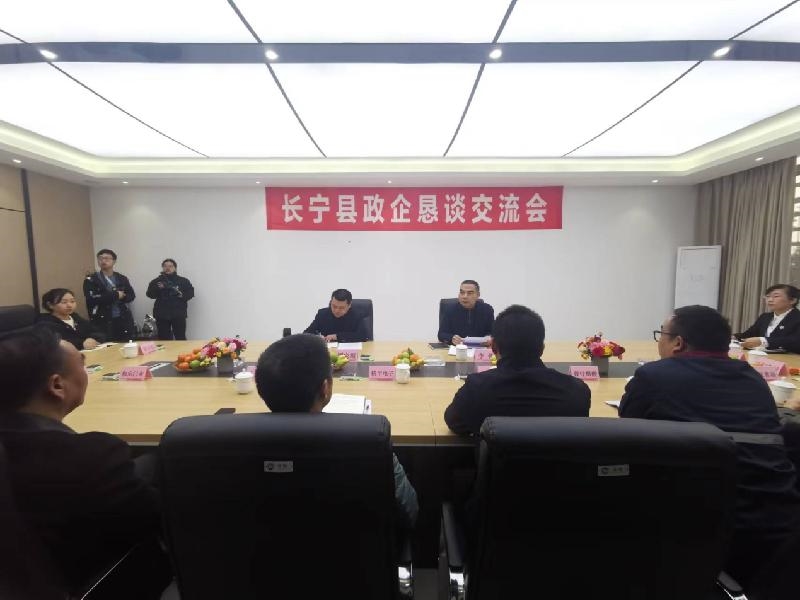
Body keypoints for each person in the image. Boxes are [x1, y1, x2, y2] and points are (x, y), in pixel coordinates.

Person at [620, 305, 800, 587]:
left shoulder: (653, 376)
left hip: (695, 524)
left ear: (678, 343)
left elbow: (628, 433)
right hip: (776, 521)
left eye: (661, 334)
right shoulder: (752, 378)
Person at [0, 328, 168, 594]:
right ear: (57, 386)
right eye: (83, 363)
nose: (86, 370)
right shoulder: (91, 456)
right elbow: (155, 518)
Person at [255, 333, 418, 528]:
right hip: (356, 546)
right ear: (325, 388)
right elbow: (409, 510)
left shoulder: (237, 443)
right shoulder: (368, 441)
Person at [444, 304, 591, 435]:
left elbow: (455, 423)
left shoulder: (477, 389)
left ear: (493, 347)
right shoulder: (577, 392)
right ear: (542, 349)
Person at [83, 248, 136, 342]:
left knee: (126, 344)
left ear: (114, 261)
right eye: (100, 258)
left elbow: (131, 295)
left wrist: (123, 296)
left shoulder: (121, 278)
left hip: (122, 318)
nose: (103, 261)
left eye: (107, 258)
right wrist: (115, 295)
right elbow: (91, 299)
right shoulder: (91, 280)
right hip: (102, 320)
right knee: (107, 346)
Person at [736, 284, 800, 352]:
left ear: (792, 300)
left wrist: (764, 341)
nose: (770, 300)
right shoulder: (765, 317)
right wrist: (735, 337)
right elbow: (748, 334)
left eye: (776, 296)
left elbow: (795, 341)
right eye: (767, 296)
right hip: (762, 356)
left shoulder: (797, 318)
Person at [38, 288, 105, 350]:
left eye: (72, 301)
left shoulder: (76, 318)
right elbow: (55, 343)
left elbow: (97, 332)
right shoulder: (46, 323)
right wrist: (82, 344)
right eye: (64, 302)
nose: (69, 305)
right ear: (50, 305)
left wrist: (93, 339)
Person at [145, 258, 195, 340]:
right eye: (165, 266)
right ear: (162, 268)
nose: (167, 268)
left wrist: (181, 294)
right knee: (164, 339)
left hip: (178, 313)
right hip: (161, 314)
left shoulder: (183, 281)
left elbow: (191, 293)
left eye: (170, 266)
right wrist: (158, 288)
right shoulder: (156, 281)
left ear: (175, 268)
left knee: (180, 337)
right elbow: (149, 294)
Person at [438, 279, 494, 345]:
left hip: (480, 348)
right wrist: (452, 338)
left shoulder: (487, 310)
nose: (465, 296)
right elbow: (441, 334)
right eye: (462, 292)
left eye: (469, 293)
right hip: (457, 348)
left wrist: (489, 338)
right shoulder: (450, 309)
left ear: (478, 295)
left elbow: (492, 332)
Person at [304, 288, 368, 342]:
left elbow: (363, 336)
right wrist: (317, 337)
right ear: (331, 302)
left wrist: (337, 336)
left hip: (349, 350)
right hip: (327, 350)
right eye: (334, 306)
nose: (337, 310)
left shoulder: (357, 315)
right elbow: (306, 334)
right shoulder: (322, 314)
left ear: (349, 305)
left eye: (341, 308)